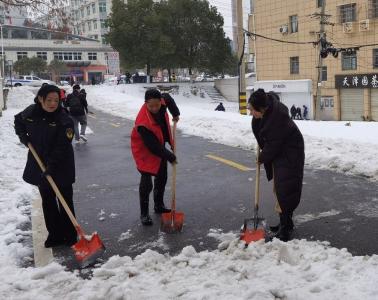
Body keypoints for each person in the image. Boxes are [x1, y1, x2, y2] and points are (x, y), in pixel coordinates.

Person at [14, 84, 77, 248]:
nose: (52, 104)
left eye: (56, 100)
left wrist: (52, 165)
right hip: (40, 163)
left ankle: (70, 235)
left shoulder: (64, 119)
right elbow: (18, 120)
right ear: (40, 99)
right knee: (48, 200)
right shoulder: (31, 112)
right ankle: (55, 235)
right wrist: (23, 137)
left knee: (64, 199)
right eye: (49, 100)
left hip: (61, 164)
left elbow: (62, 146)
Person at [248, 89, 305, 242]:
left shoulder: (277, 118)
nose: (250, 113)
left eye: (252, 110)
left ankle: (285, 229)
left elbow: (273, 145)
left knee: (285, 189)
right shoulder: (269, 111)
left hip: (290, 154)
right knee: (280, 189)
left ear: (262, 109)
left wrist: (261, 158)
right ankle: (285, 222)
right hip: (281, 153)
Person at [131, 89, 180, 226]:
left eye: (157, 105)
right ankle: (144, 214)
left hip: (159, 142)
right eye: (150, 106)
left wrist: (175, 113)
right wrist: (170, 156)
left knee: (162, 176)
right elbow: (153, 146)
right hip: (143, 148)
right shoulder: (142, 122)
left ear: (160, 102)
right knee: (147, 183)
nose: (154, 108)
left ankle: (159, 205)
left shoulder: (163, 100)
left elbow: (169, 98)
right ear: (145, 103)